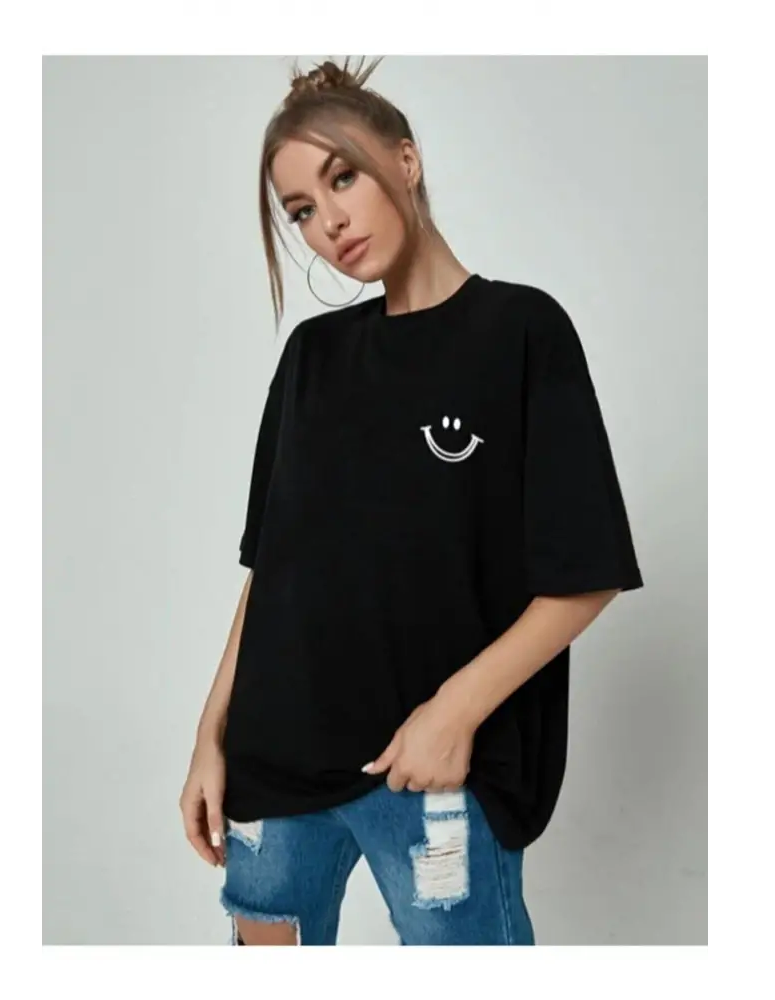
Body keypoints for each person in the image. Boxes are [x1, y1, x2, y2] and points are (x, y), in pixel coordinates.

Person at [179, 56, 644, 947]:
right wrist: (212, 735)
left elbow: (585, 574)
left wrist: (452, 713)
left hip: (428, 769)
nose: (328, 223)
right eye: (300, 210)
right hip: (274, 762)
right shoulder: (311, 358)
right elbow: (271, 570)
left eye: (341, 178)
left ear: (405, 158)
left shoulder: (521, 331)